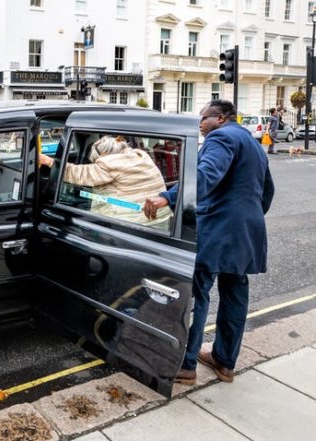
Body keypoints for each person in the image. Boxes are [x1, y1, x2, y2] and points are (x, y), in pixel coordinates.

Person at [143, 100, 274, 385]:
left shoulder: (221, 137)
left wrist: (168, 196)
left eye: (203, 118)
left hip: (218, 229)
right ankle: (225, 362)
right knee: (234, 294)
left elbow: (205, 175)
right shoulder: (252, 143)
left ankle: (186, 364)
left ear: (222, 118)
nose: (200, 124)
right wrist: (245, 218)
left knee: (197, 293)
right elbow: (267, 191)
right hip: (246, 230)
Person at [39, 135, 171, 226]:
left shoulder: (110, 164)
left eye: (97, 159)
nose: (96, 162)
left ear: (104, 155)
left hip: (133, 223)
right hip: (162, 219)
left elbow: (79, 174)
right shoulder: (141, 157)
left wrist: (49, 161)